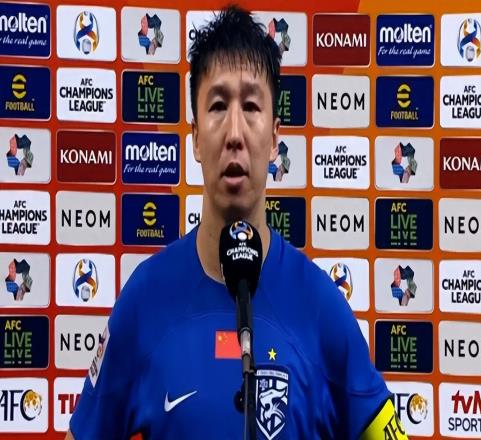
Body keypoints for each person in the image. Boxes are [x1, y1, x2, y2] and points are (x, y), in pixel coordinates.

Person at [67, 6, 407, 439]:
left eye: (250, 106)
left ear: (275, 138)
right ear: (194, 138)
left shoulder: (322, 308)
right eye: (217, 106)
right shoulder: (144, 300)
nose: (234, 133)